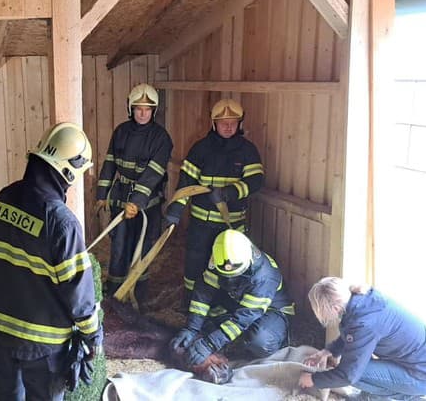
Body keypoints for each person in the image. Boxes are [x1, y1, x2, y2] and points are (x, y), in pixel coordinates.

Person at [0, 123, 102, 401]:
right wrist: (93, 336)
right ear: (68, 170)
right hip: (43, 346)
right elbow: (79, 296)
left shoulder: (2, 199)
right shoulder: (62, 224)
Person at [163, 98, 264, 295]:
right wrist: (174, 213)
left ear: (240, 124)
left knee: (229, 266)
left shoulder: (248, 151)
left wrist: (229, 193)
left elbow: (256, 181)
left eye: (233, 122)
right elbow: (186, 183)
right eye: (223, 123)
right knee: (195, 263)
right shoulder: (200, 148)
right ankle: (190, 302)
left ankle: (224, 305)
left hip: (232, 226)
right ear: (214, 123)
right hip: (200, 224)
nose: (228, 127)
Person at [298, 277, 426, 400]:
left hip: (424, 374)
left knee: (356, 373)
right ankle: (379, 394)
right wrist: (328, 351)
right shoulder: (362, 300)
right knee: (356, 364)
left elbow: (348, 375)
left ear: (335, 309)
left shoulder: (364, 323)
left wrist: (313, 379)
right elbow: (352, 337)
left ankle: (412, 397)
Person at [94, 83, 173, 299]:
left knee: (143, 247)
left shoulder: (161, 138)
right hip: (121, 198)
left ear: (154, 111)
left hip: (148, 204)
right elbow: (109, 163)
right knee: (119, 245)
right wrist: (102, 194)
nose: (142, 113)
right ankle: (116, 293)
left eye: (147, 109)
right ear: (130, 108)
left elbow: (153, 175)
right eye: (138, 108)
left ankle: (140, 292)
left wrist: (137, 202)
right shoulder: (120, 132)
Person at [169, 230, 294, 365]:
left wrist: (210, 344)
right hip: (239, 303)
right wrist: (191, 328)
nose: (229, 280)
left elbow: (245, 317)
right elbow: (203, 294)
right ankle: (234, 337)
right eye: (226, 275)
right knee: (208, 322)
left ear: (248, 262)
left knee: (261, 341)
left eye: (235, 275)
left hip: (273, 311)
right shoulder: (219, 259)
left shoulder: (264, 277)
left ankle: (274, 339)